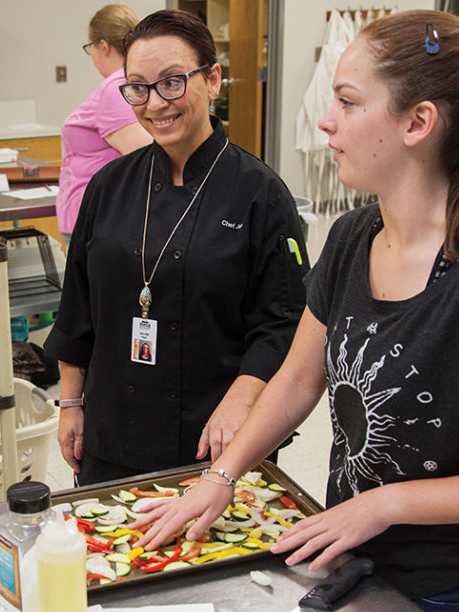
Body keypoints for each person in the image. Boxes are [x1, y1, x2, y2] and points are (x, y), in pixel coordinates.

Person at [133, 12, 459, 612]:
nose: (325, 122)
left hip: (450, 588)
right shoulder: (355, 236)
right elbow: (299, 378)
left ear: (417, 122)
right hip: (353, 555)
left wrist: (386, 504)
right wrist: (221, 477)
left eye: (348, 103)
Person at [45, 9, 309, 486]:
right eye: (139, 88)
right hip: (112, 432)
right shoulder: (109, 186)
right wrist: (70, 402)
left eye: (172, 82)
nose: (155, 103)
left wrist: (244, 398)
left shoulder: (260, 193)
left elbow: (284, 322)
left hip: (217, 437)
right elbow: (78, 305)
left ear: (213, 80)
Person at [56, 4, 152, 244]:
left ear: (103, 46)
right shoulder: (124, 83)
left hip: (100, 221)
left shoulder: (116, 87)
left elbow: (144, 157)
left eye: (90, 48)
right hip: (92, 218)